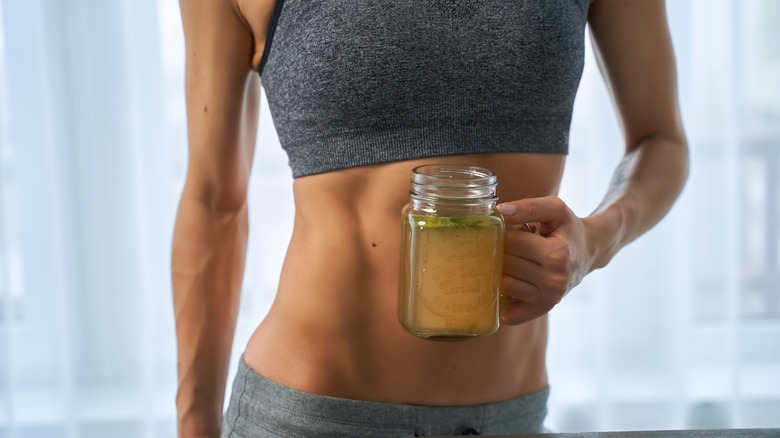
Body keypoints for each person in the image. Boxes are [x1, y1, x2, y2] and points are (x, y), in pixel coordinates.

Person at [172, 0, 688, 436]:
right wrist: (194, 427)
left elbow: (660, 141)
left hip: (510, 417)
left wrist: (592, 244)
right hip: (312, 415)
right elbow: (214, 202)